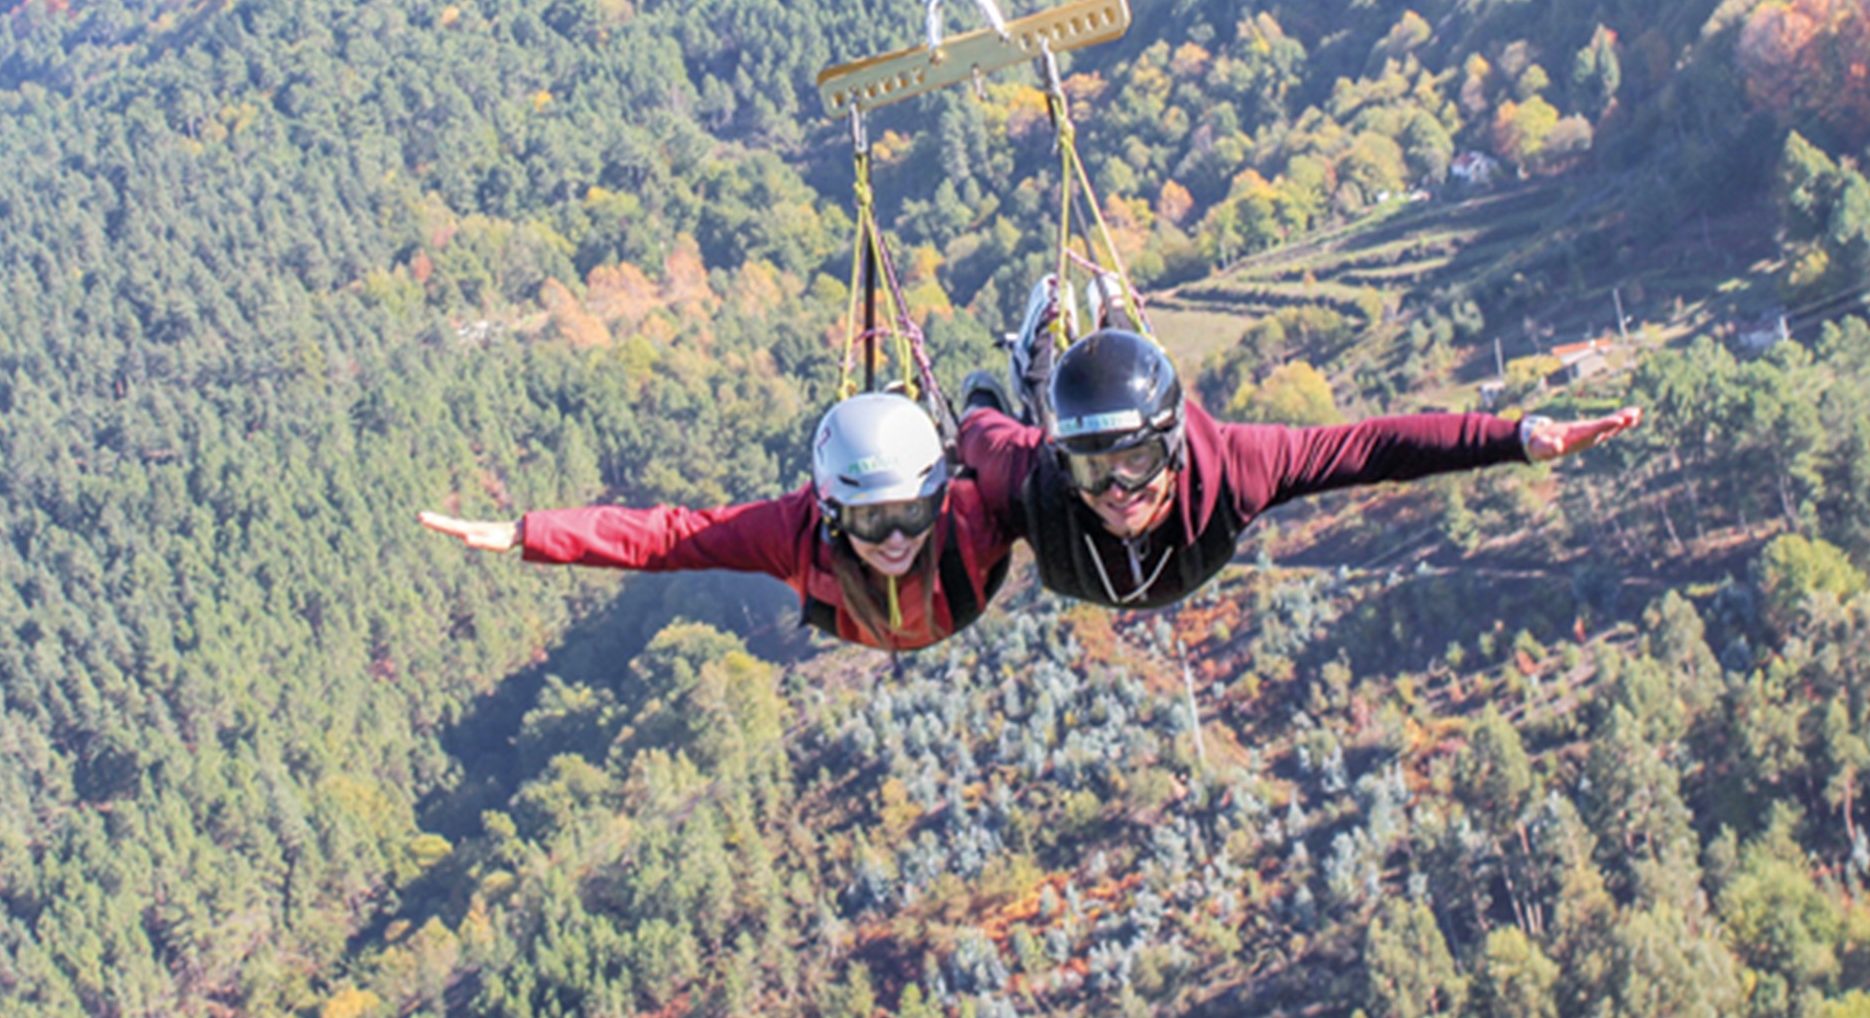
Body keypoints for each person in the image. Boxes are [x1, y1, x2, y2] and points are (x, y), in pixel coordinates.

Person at [961, 276, 1642, 611]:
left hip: (1148, 539)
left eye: (1136, 465)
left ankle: (1114, 333)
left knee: (1063, 422)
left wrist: (1518, 438)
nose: (1116, 493)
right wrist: (973, 405)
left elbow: (1374, 450)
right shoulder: (1040, 478)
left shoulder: (1233, 468)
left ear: (1168, 446)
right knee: (1022, 416)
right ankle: (1042, 360)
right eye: (1095, 473)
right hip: (1063, 498)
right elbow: (981, 437)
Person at [420, 390, 1014, 653]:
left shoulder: (970, 512)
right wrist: (532, 533)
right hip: (919, 613)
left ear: (934, 499)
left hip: (947, 598)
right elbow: (668, 537)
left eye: (909, 514)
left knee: (992, 441)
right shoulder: (793, 532)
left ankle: (983, 398)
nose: (894, 540)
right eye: (868, 521)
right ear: (832, 513)